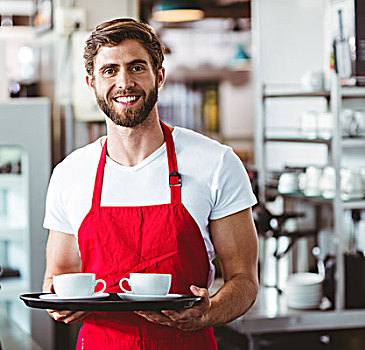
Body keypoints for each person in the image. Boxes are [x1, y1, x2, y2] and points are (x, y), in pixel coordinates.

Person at [43, 18, 258, 349]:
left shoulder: (216, 163)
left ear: (159, 76)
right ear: (91, 83)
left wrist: (207, 312)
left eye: (136, 67)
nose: (124, 82)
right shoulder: (70, 173)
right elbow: (58, 277)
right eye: (109, 71)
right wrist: (60, 305)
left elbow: (244, 281)